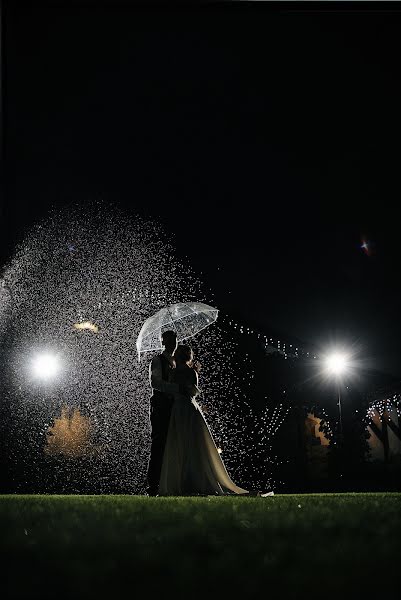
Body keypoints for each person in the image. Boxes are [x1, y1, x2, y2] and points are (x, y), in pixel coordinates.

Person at [158, 344, 274, 496]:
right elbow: (193, 391)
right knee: (194, 443)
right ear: (189, 357)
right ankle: (194, 479)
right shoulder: (190, 372)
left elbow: (175, 391)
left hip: (179, 409)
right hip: (189, 408)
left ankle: (183, 481)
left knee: (182, 443)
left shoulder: (174, 373)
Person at [146, 331, 198, 496]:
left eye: (175, 340)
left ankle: (170, 484)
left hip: (175, 408)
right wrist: (178, 388)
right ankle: (153, 486)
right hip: (161, 406)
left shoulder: (176, 363)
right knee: (159, 445)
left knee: (172, 446)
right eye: (169, 340)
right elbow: (156, 383)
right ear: (163, 342)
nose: (172, 343)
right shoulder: (157, 360)